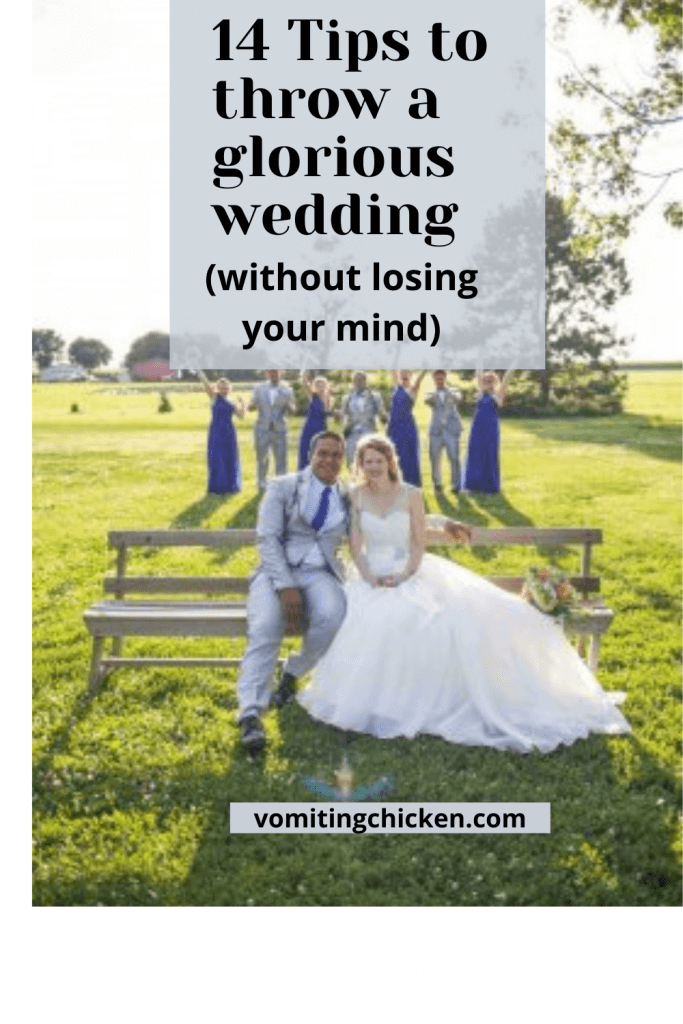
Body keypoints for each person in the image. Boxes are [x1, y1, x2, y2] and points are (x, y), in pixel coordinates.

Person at [296, 435, 630, 753]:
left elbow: (417, 540)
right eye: (367, 461)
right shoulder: (355, 495)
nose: (372, 467)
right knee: (363, 621)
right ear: (359, 465)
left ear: (389, 462)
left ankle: (435, 699)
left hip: (410, 571)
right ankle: (373, 702)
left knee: (437, 620)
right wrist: (369, 576)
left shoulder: (410, 493)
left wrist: (404, 575)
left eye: (378, 460)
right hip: (369, 576)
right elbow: (356, 542)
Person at [236, 431, 350, 753]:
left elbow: (389, 511)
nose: (329, 460)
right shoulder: (283, 487)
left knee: (332, 614)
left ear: (343, 460)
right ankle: (250, 714)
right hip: (275, 573)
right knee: (265, 627)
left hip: (320, 573)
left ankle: (292, 672)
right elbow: (267, 539)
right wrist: (285, 585)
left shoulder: (347, 494)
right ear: (311, 455)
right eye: (323, 453)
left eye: (336, 455)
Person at [462, 368, 515, 494]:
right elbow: (478, 371)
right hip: (477, 428)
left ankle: (489, 487)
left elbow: (507, 378)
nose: (487, 383)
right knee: (475, 454)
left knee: (489, 454)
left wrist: (513, 365)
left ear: (494, 382)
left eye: (490, 381)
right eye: (485, 380)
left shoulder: (498, 395)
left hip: (490, 428)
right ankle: (472, 485)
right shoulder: (479, 393)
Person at [248, 370, 296, 490]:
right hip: (262, 427)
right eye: (271, 372)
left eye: (276, 372)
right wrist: (250, 405)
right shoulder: (258, 388)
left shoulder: (287, 390)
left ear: (281, 374)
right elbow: (252, 405)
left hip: (280, 428)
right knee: (262, 456)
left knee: (281, 456)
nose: (274, 374)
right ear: (267, 374)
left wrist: (290, 406)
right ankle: (262, 481)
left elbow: (292, 411)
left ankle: (281, 483)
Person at [198, 371, 244, 494]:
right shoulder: (214, 397)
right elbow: (206, 384)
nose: (224, 390)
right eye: (221, 387)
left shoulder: (233, 401)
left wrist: (243, 404)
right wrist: (199, 372)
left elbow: (240, 415)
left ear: (230, 389)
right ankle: (217, 486)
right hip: (216, 432)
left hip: (229, 432)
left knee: (230, 456)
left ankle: (230, 485)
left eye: (226, 388)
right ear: (218, 388)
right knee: (216, 457)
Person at [425, 370, 463, 494]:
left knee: (454, 457)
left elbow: (458, 398)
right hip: (436, 431)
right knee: (435, 458)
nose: (439, 380)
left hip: (451, 430)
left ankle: (456, 485)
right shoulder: (430, 394)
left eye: (441, 378)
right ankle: (437, 484)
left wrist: (449, 394)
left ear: (445, 378)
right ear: (433, 379)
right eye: (437, 379)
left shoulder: (454, 392)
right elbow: (427, 400)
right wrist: (436, 395)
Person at [387, 370, 427, 486]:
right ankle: (395, 481)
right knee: (394, 453)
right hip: (394, 426)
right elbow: (392, 369)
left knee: (408, 454)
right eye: (402, 372)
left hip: (407, 426)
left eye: (407, 373)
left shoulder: (412, 390)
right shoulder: (396, 388)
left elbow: (420, 377)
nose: (404, 374)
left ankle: (411, 482)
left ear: (411, 376)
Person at [341, 371, 385, 467]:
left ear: (365, 381)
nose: (359, 382)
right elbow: (344, 415)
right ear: (353, 381)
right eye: (356, 380)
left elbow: (381, 414)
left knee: (368, 460)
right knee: (352, 461)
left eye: (361, 379)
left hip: (368, 431)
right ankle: (354, 480)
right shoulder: (347, 398)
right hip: (352, 433)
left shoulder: (375, 397)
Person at [298, 373, 336, 470]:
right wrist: (304, 373)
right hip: (309, 427)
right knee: (305, 450)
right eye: (317, 384)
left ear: (326, 385)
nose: (320, 386)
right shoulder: (313, 395)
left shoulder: (329, 399)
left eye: (322, 384)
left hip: (321, 427)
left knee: (319, 450)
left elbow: (329, 412)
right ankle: (304, 471)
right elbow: (305, 383)